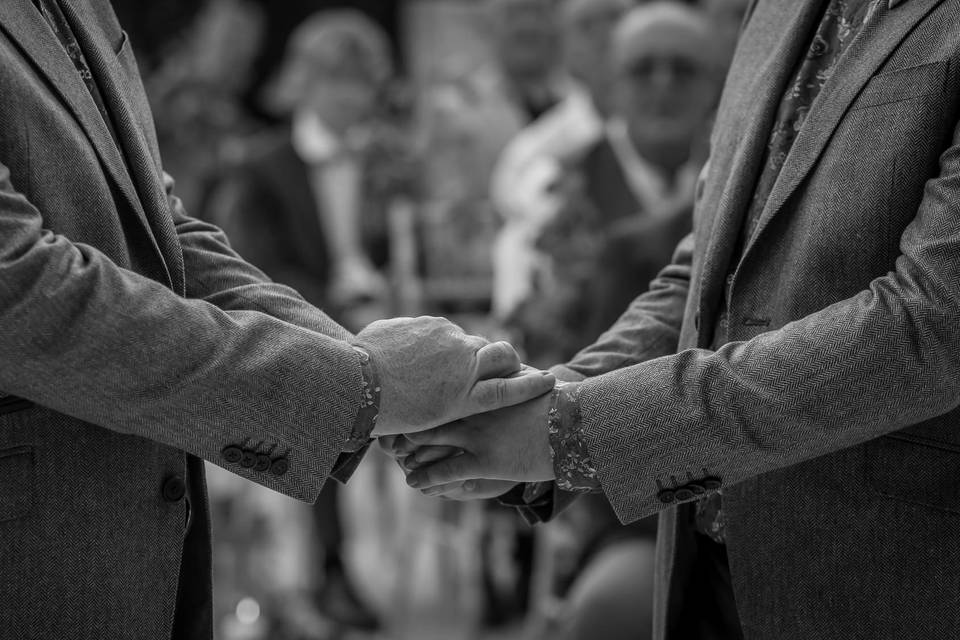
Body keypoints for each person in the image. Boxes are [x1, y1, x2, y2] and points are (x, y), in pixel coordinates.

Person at [402, 0, 960, 638]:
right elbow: (709, 276)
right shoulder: (774, 12)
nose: (662, 87)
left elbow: (928, 328)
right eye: (642, 69)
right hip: (695, 553)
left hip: (878, 568)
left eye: (681, 70)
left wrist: (570, 431)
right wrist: (546, 398)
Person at [0, 2, 555, 639]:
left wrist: (367, 366)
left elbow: (170, 238)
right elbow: (21, 289)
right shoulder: (264, 166)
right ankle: (330, 571)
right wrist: (360, 384)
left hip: (149, 537)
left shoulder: (88, 10)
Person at [206, 10, 417, 631]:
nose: (351, 96)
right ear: (304, 82)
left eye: (362, 81)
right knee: (317, 401)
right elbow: (254, 268)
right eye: (336, 80)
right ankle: (331, 571)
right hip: (304, 327)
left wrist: (392, 294)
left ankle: (484, 556)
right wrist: (339, 308)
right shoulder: (263, 164)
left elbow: (409, 248)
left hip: (391, 318)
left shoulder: (388, 159)